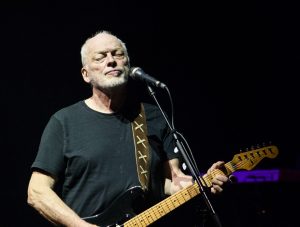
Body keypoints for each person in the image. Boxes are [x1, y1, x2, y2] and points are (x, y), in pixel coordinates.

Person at [27, 30, 228, 227]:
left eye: (118, 54)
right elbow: (37, 192)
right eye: (100, 57)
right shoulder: (64, 121)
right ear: (85, 74)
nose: (111, 60)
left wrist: (205, 181)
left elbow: (173, 181)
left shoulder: (154, 116)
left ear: (128, 64)